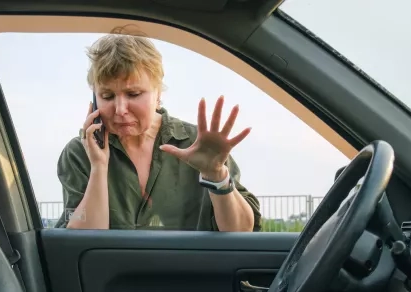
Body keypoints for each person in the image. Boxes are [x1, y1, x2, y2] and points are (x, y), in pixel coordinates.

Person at [55, 30, 261, 231]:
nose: (120, 109)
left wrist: (216, 174)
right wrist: (98, 167)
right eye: (107, 96)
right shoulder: (80, 152)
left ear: (158, 93)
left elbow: (242, 230)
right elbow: (83, 243)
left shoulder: (198, 143)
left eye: (133, 94)